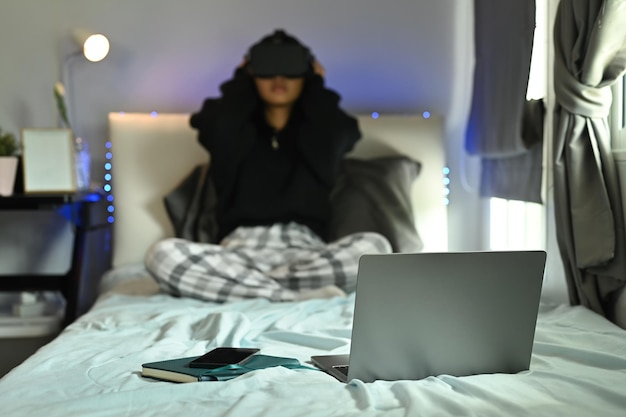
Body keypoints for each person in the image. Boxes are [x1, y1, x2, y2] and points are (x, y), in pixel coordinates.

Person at [145, 29, 391, 302]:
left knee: (376, 247)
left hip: (306, 252)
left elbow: (339, 136)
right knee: (162, 255)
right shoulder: (232, 131)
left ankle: (254, 291)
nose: (278, 78)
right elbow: (214, 125)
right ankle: (289, 297)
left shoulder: (321, 132)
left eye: (289, 68)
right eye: (267, 68)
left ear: (306, 73)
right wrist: (241, 80)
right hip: (236, 254)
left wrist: (317, 86)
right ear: (251, 72)